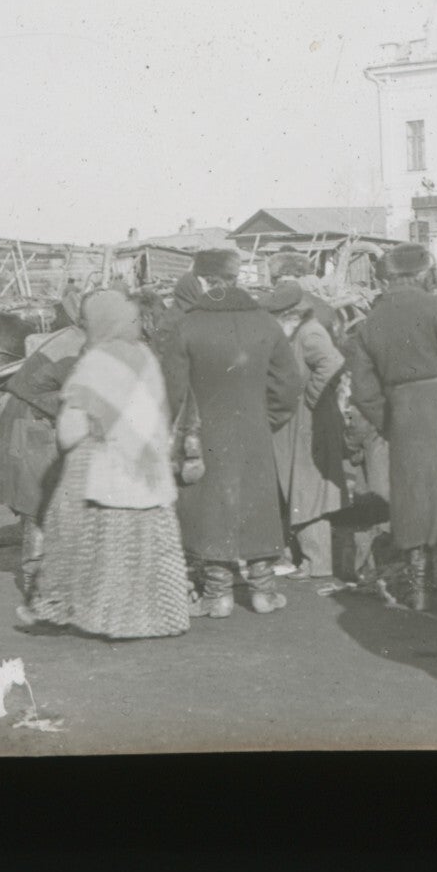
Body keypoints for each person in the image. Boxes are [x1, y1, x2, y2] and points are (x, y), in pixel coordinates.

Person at [17, 289, 190, 639]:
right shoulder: (145, 356)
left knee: (68, 529)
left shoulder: (96, 363)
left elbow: (70, 430)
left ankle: (61, 608)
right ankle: (159, 618)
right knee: (148, 548)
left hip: (107, 468)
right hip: (149, 466)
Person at [346, 243, 437, 610]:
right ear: (425, 273)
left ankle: (418, 588)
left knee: (413, 497)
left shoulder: (370, 323)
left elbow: (363, 392)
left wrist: (391, 421)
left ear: (388, 276)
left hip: (403, 415)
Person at [166, 248, 304, 617]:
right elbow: (289, 384)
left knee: (210, 507)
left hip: (203, 435)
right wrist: (267, 419)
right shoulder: (265, 323)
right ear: (236, 277)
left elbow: (172, 392)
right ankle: (262, 590)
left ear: (201, 279)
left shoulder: (186, 325)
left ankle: (218, 594)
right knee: (257, 503)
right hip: (254, 429)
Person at [0, 287, 87, 597]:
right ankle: (34, 584)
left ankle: (47, 579)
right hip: (32, 423)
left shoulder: (74, 337)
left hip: (32, 419)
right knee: (38, 502)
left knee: (44, 500)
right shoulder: (76, 347)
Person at [261, 280, 345, 580]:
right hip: (298, 423)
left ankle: (318, 562)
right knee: (300, 489)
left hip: (309, 423)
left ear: (289, 314)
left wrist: (311, 397)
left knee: (308, 491)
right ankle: (309, 558)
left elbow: (332, 362)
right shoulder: (298, 332)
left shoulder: (309, 333)